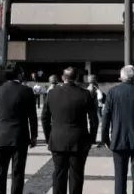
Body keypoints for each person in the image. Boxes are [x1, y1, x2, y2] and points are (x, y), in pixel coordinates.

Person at [41, 66, 98, 194]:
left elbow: (44, 118)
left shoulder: (52, 93)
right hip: (79, 139)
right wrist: (92, 138)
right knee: (76, 175)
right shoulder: (85, 94)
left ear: (63, 78)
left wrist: (49, 136)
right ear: (77, 78)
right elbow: (94, 119)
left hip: (58, 139)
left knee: (59, 173)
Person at [101, 65, 134, 194]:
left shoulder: (112, 92)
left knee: (119, 175)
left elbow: (106, 117)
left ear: (121, 77)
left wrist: (105, 139)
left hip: (118, 138)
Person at [0, 66, 38, 194]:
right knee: (18, 171)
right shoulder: (26, 91)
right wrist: (34, 135)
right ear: (19, 75)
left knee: (0, 170)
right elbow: (32, 116)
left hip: (1, 136)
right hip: (20, 136)